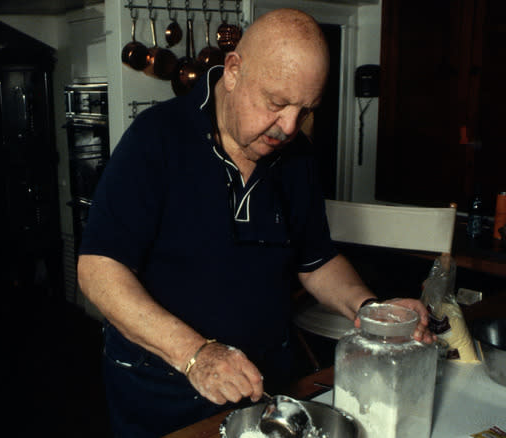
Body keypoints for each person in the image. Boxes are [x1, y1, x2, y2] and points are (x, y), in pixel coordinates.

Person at [77, 8, 435, 437]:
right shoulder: (156, 139)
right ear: (233, 71)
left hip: (263, 388)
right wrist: (196, 355)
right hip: (162, 392)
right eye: (277, 102)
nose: (288, 127)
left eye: (305, 110)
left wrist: (372, 310)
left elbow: (317, 261)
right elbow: (98, 270)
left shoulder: (297, 156)